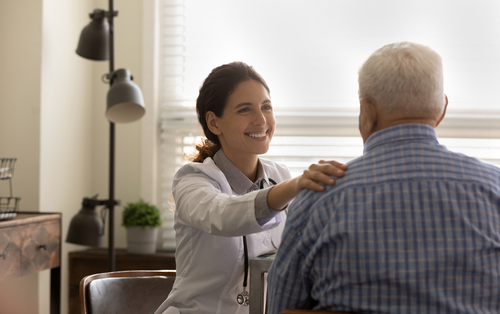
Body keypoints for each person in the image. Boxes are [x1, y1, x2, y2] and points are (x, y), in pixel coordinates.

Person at [267, 42, 500, 314]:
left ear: (368, 110)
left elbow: (281, 304)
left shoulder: (318, 195)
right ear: (442, 109)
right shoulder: (494, 188)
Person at [154, 61, 347, 314]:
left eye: (266, 107)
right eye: (245, 110)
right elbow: (223, 215)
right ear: (214, 123)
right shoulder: (192, 179)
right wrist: (294, 186)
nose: (261, 120)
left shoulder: (280, 175)